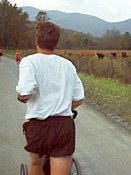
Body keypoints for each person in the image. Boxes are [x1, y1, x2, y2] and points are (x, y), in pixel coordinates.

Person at [16, 22, 85, 175]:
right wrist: (65, 106)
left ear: (36, 40)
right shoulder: (68, 65)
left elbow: (25, 92)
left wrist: (22, 97)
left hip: (39, 126)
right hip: (63, 126)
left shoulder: (29, 61)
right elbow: (79, 98)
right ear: (56, 42)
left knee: (36, 166)